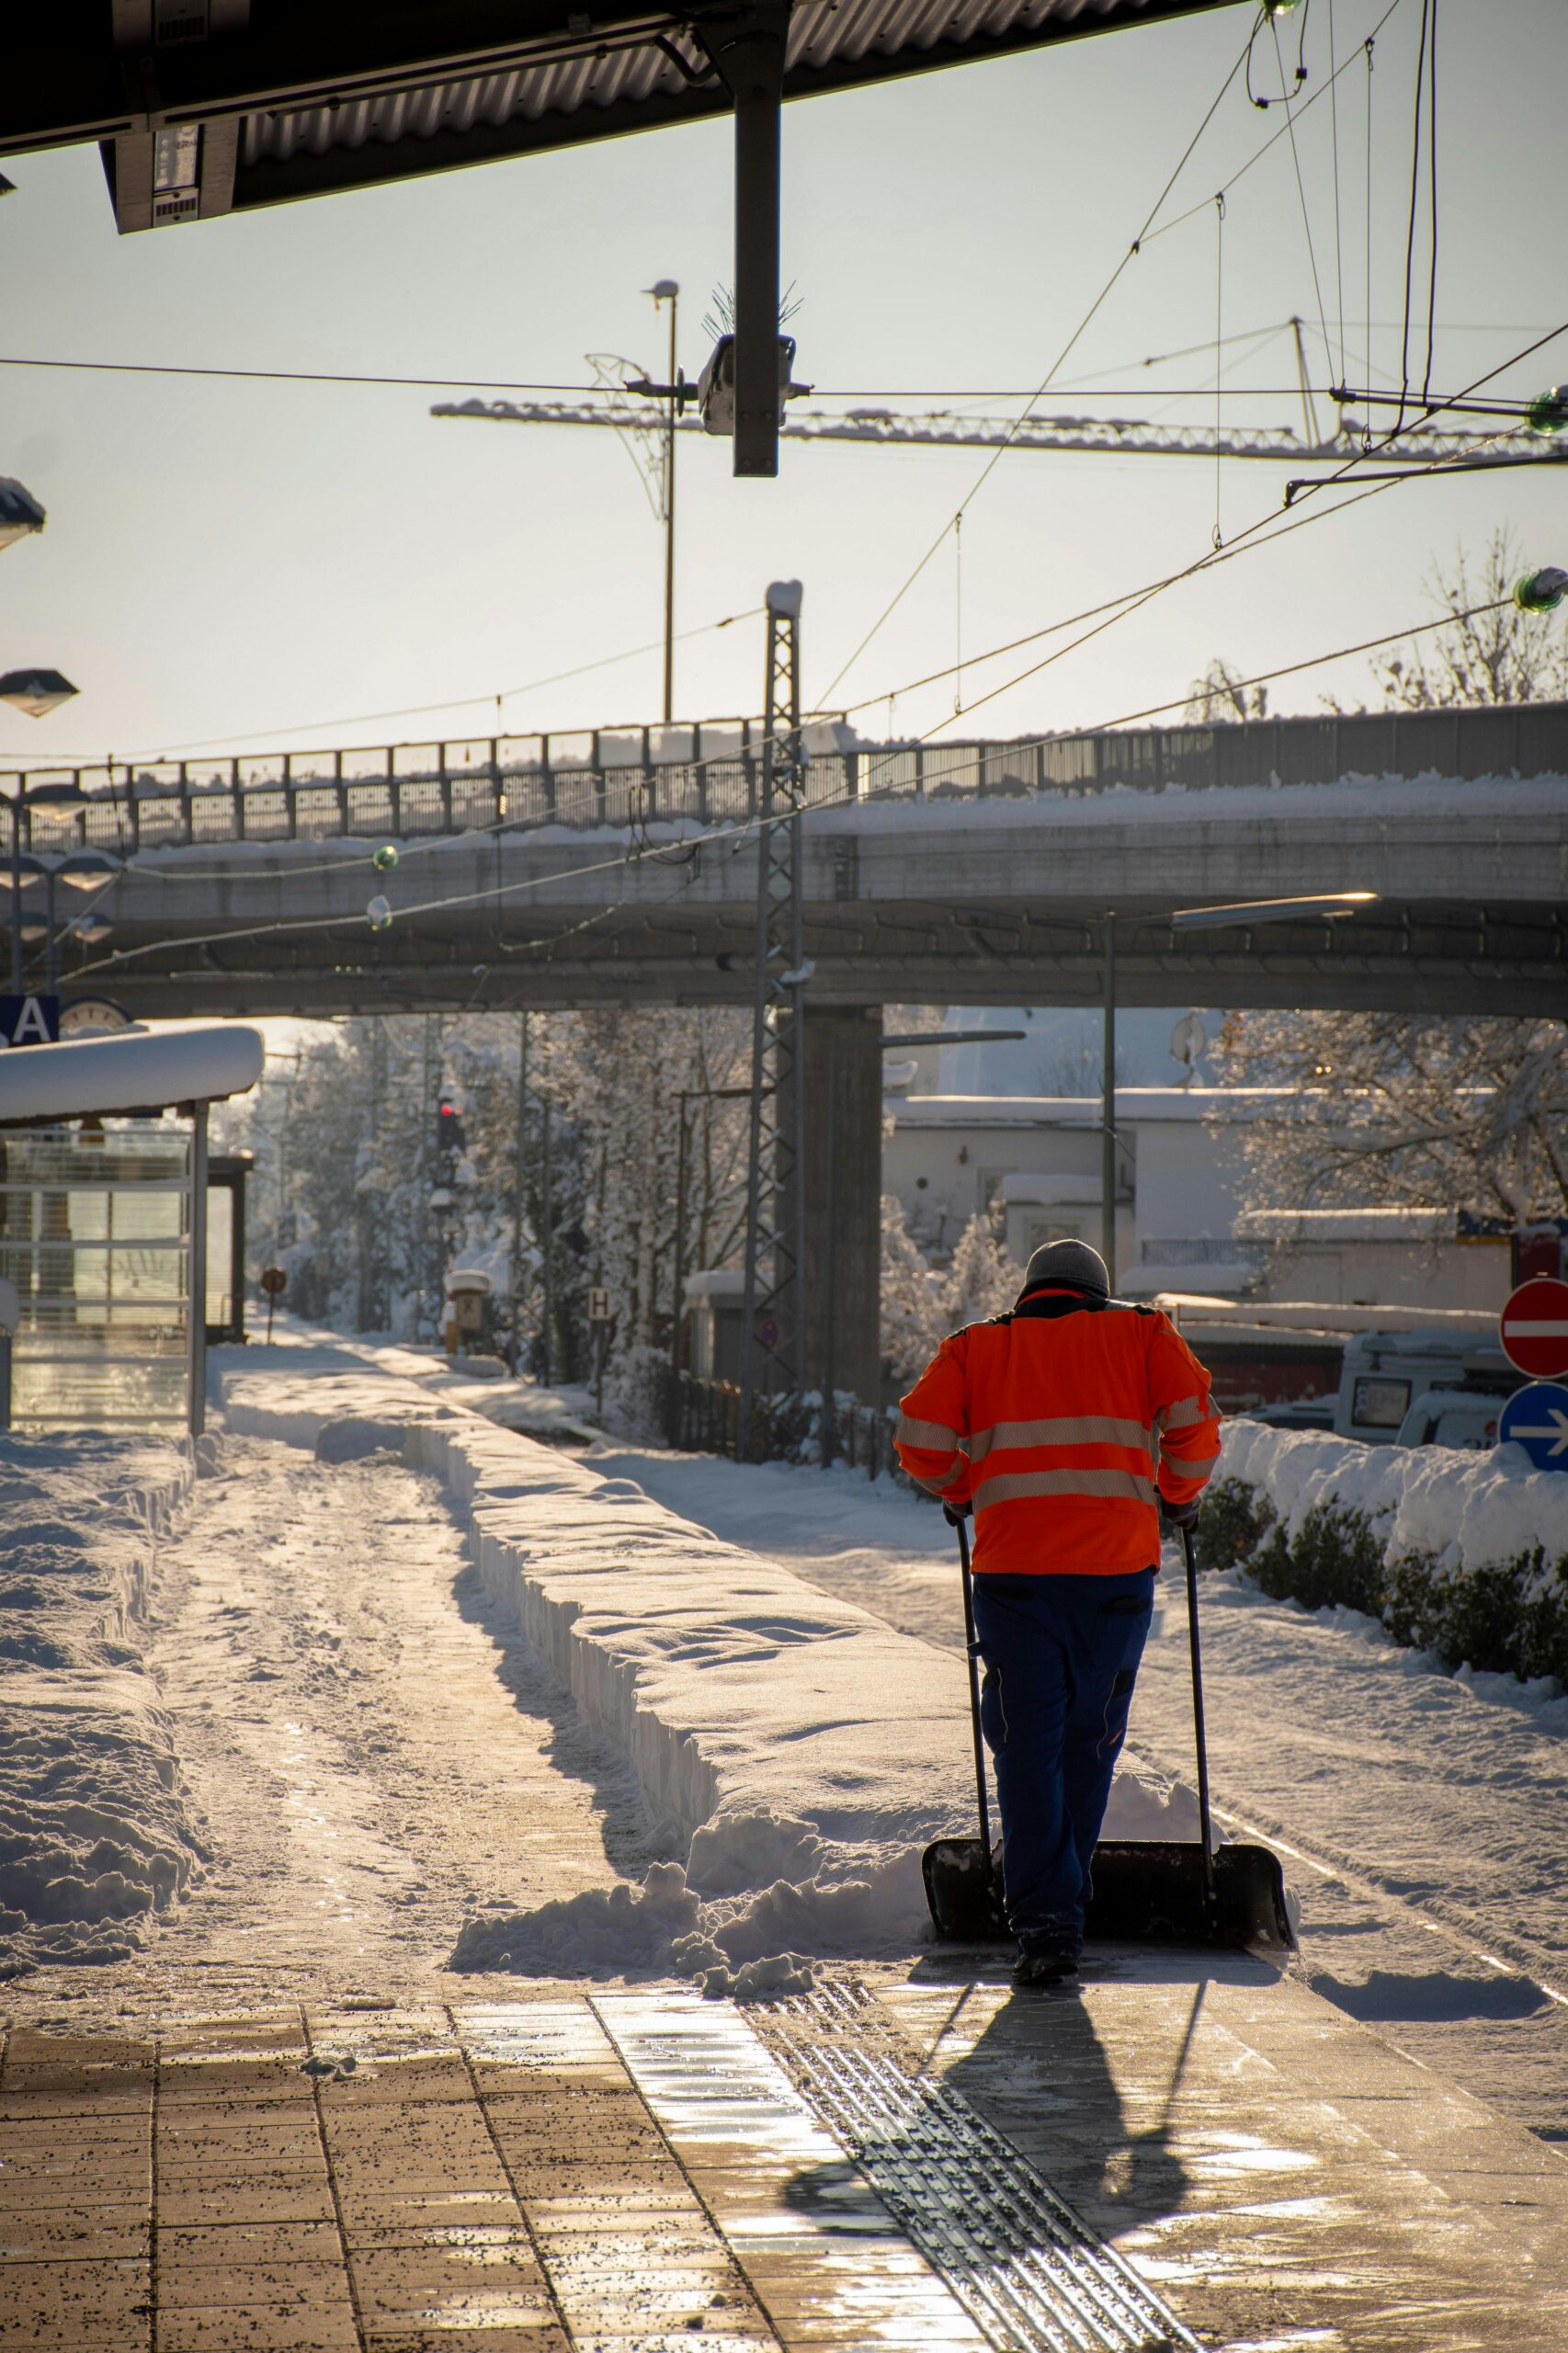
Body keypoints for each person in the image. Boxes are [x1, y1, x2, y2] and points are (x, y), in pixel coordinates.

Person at [895, 1237, 1220, 1986]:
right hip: (1115, 1578)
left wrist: (962, 1487)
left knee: (1027, 1738)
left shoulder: (978, 1347)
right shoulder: (1143, 1334)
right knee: (1090, 1738)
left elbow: (919, 1439)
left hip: (1016, 1579)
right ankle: (1056, 1897)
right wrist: (1175, 1495)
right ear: (1098, 1293)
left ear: (1029, 1291)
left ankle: (1047, 1918)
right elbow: (1196, 1430)